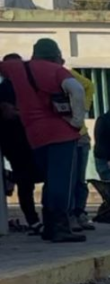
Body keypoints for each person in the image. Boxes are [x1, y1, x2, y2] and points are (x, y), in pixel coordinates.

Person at [0, 38, 86, 243]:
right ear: (56, 56)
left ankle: (49, 227)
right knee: (61, 182)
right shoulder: (57, 70)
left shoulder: (17, 68)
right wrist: (77, 121)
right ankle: (60, 227)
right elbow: (77, 89)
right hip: (61, 134)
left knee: (49, 180)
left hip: (35, 136)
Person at [0, 56, 41, 234]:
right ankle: (33, 220)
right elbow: (7, 112)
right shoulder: (6, 88)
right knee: (26, 180)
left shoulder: (27, 85)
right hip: (14, 140)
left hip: (31, 139)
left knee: (32, 177)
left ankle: (10, 177)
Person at [68, 66, 96, 232]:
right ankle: (69, 214)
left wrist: (83, 107)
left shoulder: (66, 74)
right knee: (68, 180)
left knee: (79, 179)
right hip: (62, 136)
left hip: (80, 136)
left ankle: (79, 212)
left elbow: (89, 85)